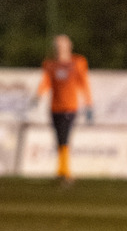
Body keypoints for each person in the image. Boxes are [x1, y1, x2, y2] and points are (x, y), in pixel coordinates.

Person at [35, 34, 93, 184]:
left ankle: (66, 172)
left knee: (65, 138)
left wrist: (88, 103)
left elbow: (83, 83)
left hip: (70, 107)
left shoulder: (78, 62)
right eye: (58, 45)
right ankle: (61, 171)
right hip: (55, 107)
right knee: (59, 140)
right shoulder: (50, 64)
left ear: (69, 46)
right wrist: (38, 94)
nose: (60, 48)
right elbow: (46, 82)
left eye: (63, 45)